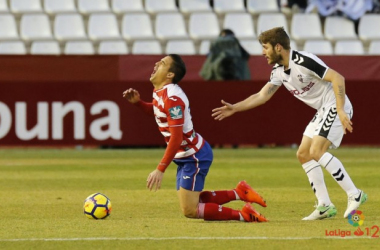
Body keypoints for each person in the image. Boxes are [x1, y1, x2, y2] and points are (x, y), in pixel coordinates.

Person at [212, 27, 367, 220]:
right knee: (303, 154)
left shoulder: (304, 61)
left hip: (334, 105)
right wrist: (235, 107)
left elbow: (337, 78)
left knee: (317, 151)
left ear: (278, 47)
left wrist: (341, 109)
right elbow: (261, 95)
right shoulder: (278, 72)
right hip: (322, 110)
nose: (262, 53)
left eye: (265, 47)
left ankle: (354, 194)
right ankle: (325, 205)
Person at [123, 54, 267, 222]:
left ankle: (243, 215)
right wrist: (138, 103)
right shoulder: (160, 91)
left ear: (170, 75)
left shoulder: (173, 98)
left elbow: (176, 138)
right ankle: (239, 192)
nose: (156, 63)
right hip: (186, 155)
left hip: (193, 156)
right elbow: (157, 111)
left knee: (190, 210)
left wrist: (160, 169)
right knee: (193, 201)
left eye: (162, 63)